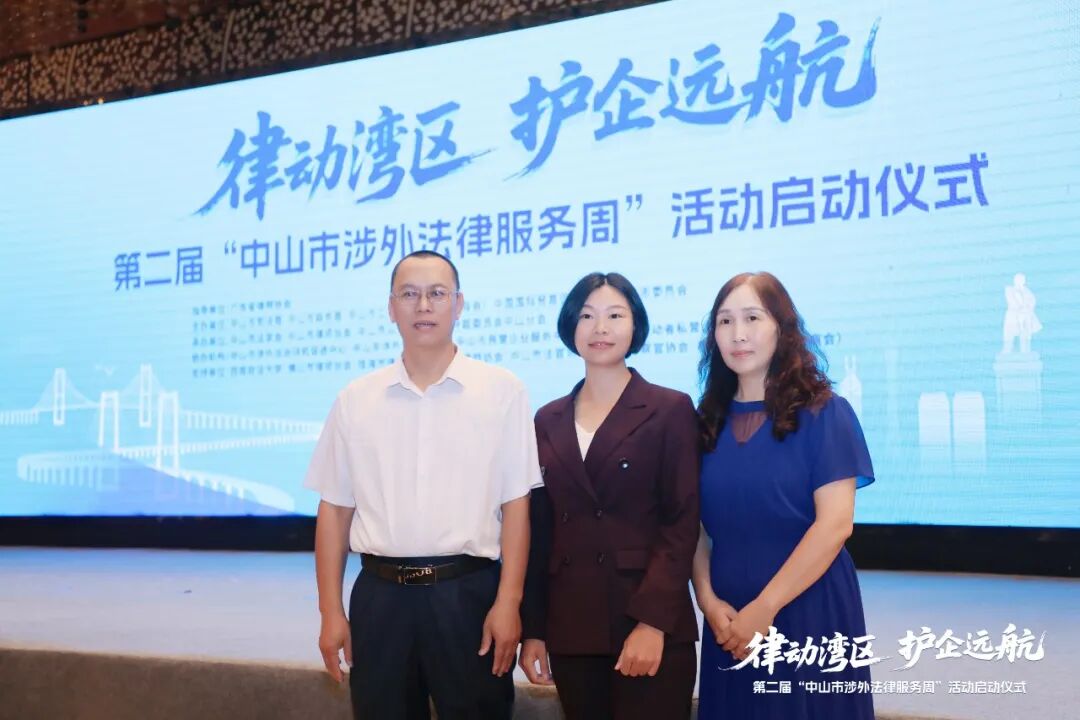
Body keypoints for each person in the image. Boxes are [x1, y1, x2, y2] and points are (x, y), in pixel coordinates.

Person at [305, 250, 541, 720]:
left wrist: (509, 602)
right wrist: (331, 611)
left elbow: (517, 504)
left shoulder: (501, 390)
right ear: (391, 308)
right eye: (409, 294)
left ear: (459, 304)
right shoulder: (356, 399)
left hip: (467, 596)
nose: (424, 305)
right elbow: (334, 509)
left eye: (437, 293)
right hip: (380, 599)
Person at [693, 271, 875, 720]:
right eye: (725, 321)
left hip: (807, 607)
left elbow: (835, 524)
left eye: (752, 318)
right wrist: (708, 601)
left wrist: (766, 607)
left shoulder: (825, 412)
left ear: (782, 328)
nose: (738, 334)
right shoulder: (704, 421)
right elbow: (692, 528)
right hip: (728, 619)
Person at [519, 272, 700, 720]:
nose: (600, 328)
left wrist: (652, 622)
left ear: (635, 325)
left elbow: (681, 524)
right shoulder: (547, 419)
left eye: (615, 316)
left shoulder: (669, 409)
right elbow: (539, 533)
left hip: (648, 621)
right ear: (571, 326)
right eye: (587, 316)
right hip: (572, 625)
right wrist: (534, 629)